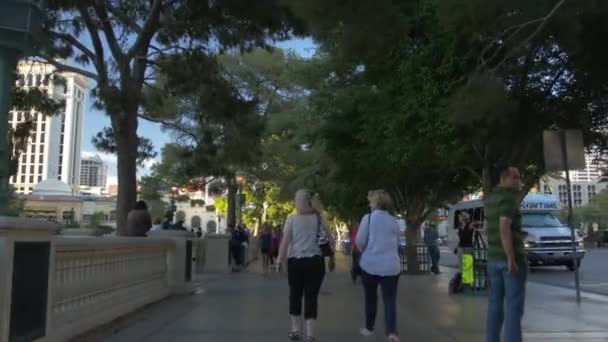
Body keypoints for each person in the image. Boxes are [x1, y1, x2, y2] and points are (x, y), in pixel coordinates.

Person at [277, 189, 334, 342]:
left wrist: (279, 260)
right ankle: (310, 334)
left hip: (296, 263)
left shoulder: (292, 219)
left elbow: (285, 242)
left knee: (295, 296)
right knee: (311, 297)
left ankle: (295, 331)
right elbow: (331, 240)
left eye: (296, 199)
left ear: (302, 202)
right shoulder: (320, 219)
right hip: (316, 263)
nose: (295, 202)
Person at [485, 166, 526, 342]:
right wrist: (511, 257)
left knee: (495, 304)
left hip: (493, 258)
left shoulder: (491, 198)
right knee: (513, 307)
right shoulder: (508, 198)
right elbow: (504, 228)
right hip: (509, 258)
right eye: (514, 177)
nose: (518, 181)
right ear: (504, 178)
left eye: (518, 177)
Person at [356, 190, 401, 342]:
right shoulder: (393, 221)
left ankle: (369, 328)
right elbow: (396, 242)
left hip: (370, 265)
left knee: (370, 298)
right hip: (391, 266)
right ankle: (392, 332)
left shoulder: (367, 219)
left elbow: (360, 241)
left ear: (375, 203)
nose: (369, 204)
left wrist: (367, 251)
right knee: (390, 300)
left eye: (370, 201)